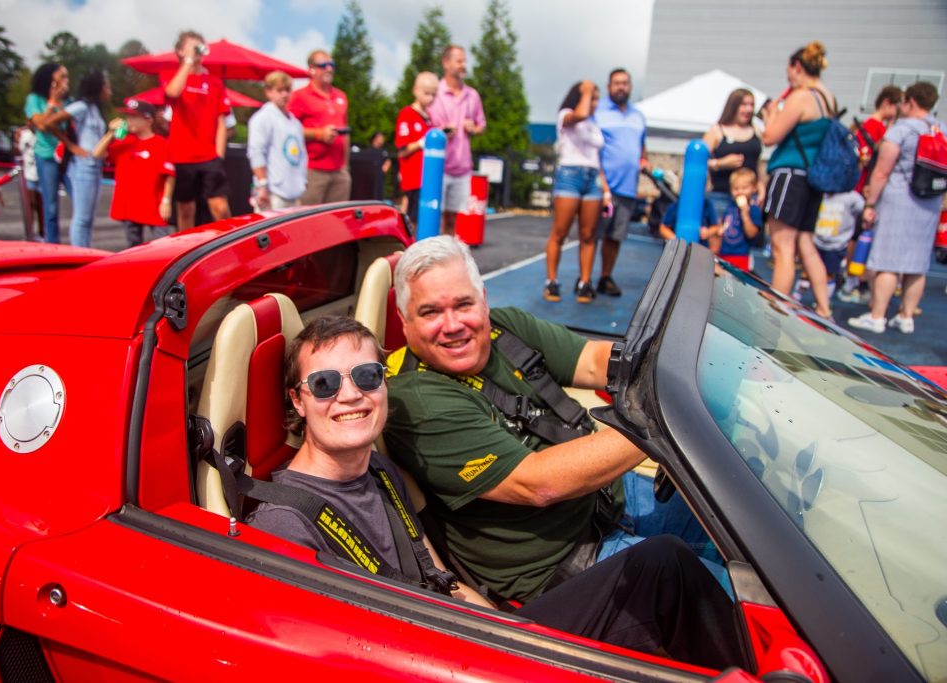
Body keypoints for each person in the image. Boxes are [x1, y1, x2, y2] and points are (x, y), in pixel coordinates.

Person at [247, 315, 745, 671]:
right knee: (664, 570)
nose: (351, 394)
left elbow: (438, 575)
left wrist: (507, 633)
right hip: (428, 660)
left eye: (367, 375)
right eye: (326, 383)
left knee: (663, 564)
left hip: (468, 637)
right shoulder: (286, 521)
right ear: (298, 400)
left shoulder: (379, 472)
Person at [384, 236, 723, 606]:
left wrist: (689, 368)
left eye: (463, 304)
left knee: (733, 528)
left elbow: (595, 361)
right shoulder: (416, 400)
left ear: (483, 298)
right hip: (566, 566)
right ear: (404, 320)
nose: (452, 325)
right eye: (430, 312)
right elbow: (539, 484)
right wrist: (668, 415)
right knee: (725, 592)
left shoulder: (505, 327)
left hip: (609, 499)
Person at [848, 82, 944, 334]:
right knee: (917, 264)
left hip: (899, 200)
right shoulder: (940, 129)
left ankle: (877, 315)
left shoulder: (902, 130)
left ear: (911, 102)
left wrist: (870, 202)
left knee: (888, 261)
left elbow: (881, 171)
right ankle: (906, 315)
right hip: (929, 203)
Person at [760, 41, 837, 318]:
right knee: (805, 244)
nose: (788, 77)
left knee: (783, 247)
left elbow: (770, 136)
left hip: (790, 175)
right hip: (811, 178)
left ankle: (774, 308)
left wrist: (771, 115)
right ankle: (825, 308)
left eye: (789, 71)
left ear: (797, 67)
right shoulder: (828, 99)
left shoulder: (802, 96)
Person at [544, 80, 612, 304]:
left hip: (592, 178)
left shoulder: (594, 124)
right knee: (560, 232)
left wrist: (606, 190)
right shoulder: (567, 115)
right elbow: (580, 113)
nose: (594, 103)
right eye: (592, 97)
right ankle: (551, 281)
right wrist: (585, 89)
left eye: (595, 98)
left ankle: (584, 283)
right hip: (569, 177)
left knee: (588, 234)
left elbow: (597, 159)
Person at [163, 30, 232, 231]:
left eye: (199, 46)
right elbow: (172, 92)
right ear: (180, 50)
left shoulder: (215, 83)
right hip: (182, 155)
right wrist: (187, 62)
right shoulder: (173, 77)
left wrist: (219, 155)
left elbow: (222, 122)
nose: (197, 50)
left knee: (219, 206)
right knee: (185, 209)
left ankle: (230, 245)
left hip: (209, 156)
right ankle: (188, 253)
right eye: (192, 46)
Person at [839, 85, 902, 303]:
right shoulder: (874, 126)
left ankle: (854, 280)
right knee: (855, 237)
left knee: (858, 237)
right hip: (860, 190)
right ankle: (852, 280)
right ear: (887, 103)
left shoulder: (878, 127)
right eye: (896, 105)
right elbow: (866, 159)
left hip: (863, 189)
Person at [91, 99, 176, 249]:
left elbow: (169, 174)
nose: (129, 121)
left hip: (153, 205)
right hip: (129, 206)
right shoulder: (124, 142)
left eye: (134, 117)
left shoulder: (160, 144)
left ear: (148, 120)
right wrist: (110, 134)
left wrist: (166, 200)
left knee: (163, 247)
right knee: (133, 247)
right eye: (128, 117)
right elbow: (97, 154)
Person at [594, 68, 647, 297]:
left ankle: (605, 278)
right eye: (616, 83)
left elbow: (642, 147)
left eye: (625, 83)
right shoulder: (599, 112)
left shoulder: (638, 116)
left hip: (627, 187)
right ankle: (585, 279)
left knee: (615, 237)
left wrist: (644, 160)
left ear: (630, 86)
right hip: (602, 187)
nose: (621, 87)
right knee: (592, 235)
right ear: (609, 86)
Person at [429, 45, 485, 236]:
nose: (463, 65)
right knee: (431, 218)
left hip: (461, 168)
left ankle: (445, 261)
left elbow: (481, 124)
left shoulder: (473, 95)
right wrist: (441, 131)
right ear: (446, 63)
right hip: (438, 168)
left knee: (452, 219)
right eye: (459, 60)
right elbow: (424, 125)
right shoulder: (435, 93)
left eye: (464, 60)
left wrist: (474, 129)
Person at [289, 50, 350, 205]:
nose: (329, 68)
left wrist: (345, 166)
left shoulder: (341, 96)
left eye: (331, 64)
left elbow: (346, 133)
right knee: (309, 221)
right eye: (323, 65)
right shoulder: (299, 96)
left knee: (337, 220)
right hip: (312, 171)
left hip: (339, 172)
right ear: (311, 69)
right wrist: (319, 134)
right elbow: (289, 132)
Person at [24, 62, 76, 243]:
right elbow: (41, 124)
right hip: (46, 155)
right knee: (51, 207)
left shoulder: (69, 101)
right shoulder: (34, 99)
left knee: (78, 199)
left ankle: (77, 243)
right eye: (62, 76)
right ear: (49, 78)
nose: (66, 80)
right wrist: (52, 103)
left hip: (68, 157)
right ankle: (53, 245)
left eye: (67, 76)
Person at [247, 70, 307, 212]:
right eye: (279, 90)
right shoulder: (262, 118)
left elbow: (301, 156)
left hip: (294, 194)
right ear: (268, 92)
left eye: (287, 90)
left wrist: (302, 184)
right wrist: (262, 186)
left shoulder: (295, 123)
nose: (284, 95)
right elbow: (256, 153)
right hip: (271, 194)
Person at [64, 71, 110, 247]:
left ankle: (84, 249)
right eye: (106, 86)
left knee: (88, 218)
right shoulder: (81, 106)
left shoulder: (95, 110)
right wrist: (70, 145)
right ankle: (78, 251)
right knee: (82, 217)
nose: (109, 91)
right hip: (84, 165)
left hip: (95, 164)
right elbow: (52, 121)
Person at [702, 88, 764, 218]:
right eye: (744, 105)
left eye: (751, 105)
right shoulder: (717, 131)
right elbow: (698, 162)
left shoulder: (756, 131)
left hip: (750, 197)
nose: (748, 109)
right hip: (721, 196)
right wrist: (720, 163)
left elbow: (757, 165)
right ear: (733, 106)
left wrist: (762, 189)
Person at [801, 189, 864, 301]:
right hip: (817, 240)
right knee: (806, 272)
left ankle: (823, 303)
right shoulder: (822, 192)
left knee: (829, 274)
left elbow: (862, 210)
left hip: (836, 244)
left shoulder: (853, 197)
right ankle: (796, 297)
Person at [394, 71, 437, 226]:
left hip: (427, 177)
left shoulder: (428, 117)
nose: (430, 98)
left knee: (422, 219)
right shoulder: (407, 114)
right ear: (416, 90)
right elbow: (402, 149)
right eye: (427, 93)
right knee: (409, 220)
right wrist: (420, 143)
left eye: (434, 94)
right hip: (413, 179)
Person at [713, 167, 763, 271]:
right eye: (736, 189)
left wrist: (745, 213)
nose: (740, 192)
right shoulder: (730, 207)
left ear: (754, 188)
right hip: (724, 254)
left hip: (741, 256)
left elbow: (752, 233)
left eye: (744, 188)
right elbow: (724, 226)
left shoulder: (753, 209)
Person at [15, 124, 44, 239]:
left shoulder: (43, 134)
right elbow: (18, 152)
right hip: (28, 174)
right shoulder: (25, 135)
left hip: (42, 174)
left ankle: (43, 232)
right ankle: (30, 232)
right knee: (30, 204)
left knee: (41, 205)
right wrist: (16, 140)